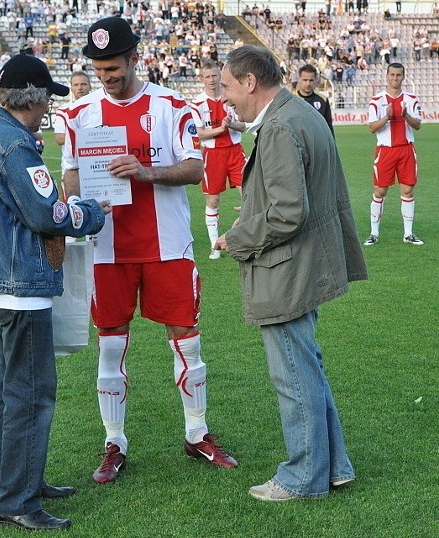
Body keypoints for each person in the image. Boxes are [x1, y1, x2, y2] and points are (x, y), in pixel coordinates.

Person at [61, 17, 238, 486]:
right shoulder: (79, 115)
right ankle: (114, 442)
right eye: (99, 70)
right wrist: (80, 205)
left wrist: (146, 172)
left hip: (167, 244)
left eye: (114, 68)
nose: (107, 77)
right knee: (111, 344)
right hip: (108, 248)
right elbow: (72, 173)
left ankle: (196, 434)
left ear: (135, 59)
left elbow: (194, 167)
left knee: (187, 338)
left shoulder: (170, 107)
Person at [0, 54, 109, 531]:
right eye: (46, 100)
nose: (48, 109)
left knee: (10, 392)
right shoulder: (15, 146)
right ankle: (18, 498)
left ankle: (23, 482)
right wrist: (88, 211)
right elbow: (47, 216)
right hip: (20, 286)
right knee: (31, 395)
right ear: (32, 97)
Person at [216, 45, 367, 501]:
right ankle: (333, 465)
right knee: (308, 366)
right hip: (308, 262)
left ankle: (303, 477)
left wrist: (235, 238)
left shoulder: (281, 126)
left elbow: (286, 213)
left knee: (294, 375)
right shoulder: (299, 113)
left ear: (249, 82)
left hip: (289, 270)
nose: (224, 97)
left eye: (226, 86)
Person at [190, 59, 247, 260]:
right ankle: (215, 246)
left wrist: (231, 125)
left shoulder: (231, 98)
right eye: (208, 76)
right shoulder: (196, 104)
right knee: (213, 199)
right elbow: (197, 134)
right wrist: (220, 129)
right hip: (212, 155)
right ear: (201, 79)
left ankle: (247, 240)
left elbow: (243, 126)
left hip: (234, 151)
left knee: (250, 195)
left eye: (215, 75)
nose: (212, 80)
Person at [364, 63, 423, 246]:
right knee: (380, 191)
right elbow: (372, 128)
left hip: (406, 149)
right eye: (392, 75)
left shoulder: (411, 99)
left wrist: (406, 115)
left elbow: (418, 125)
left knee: (407, 190)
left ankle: (408, 234)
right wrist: (386, 117)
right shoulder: (377, 100)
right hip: (385, 150)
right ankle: (374, 233)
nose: (395, 78)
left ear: (403, 77)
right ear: (387, 76)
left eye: (398, 75)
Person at [53, 71, 92, 147]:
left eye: (83, 84)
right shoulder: (63, 110)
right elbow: (60, 139)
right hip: (73, 158)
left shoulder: (99, 108)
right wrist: (93, 138)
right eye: (76, 85)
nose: (80, 88)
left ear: (90, 87)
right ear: (71, 88)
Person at [296, 64, 334, 135]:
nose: (308, 83)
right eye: (305, 80)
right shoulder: (291, 100)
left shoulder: (323, 100)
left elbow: (328, 126)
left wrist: (332, 145)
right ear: (299, 79)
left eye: (311, 80)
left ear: (315, 80)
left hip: (318, 143)